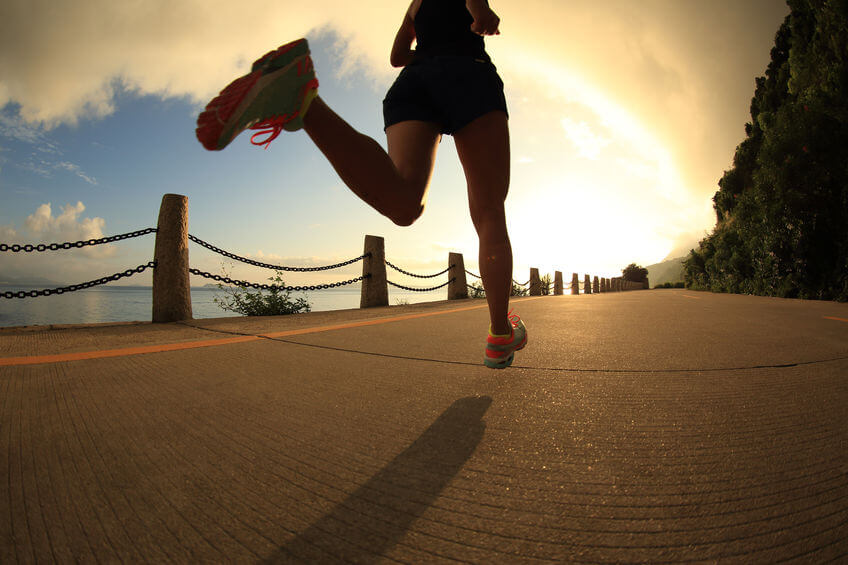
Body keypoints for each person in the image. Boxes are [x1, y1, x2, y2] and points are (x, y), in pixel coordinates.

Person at [196, 0, 527, 368]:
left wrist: (427, 58)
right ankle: (500, 333)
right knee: (488, 213)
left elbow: (398, 56)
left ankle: (304, 103)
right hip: (469, 73)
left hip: (413, 85)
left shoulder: (416, 5)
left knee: (404, 204)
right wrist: (482, 16)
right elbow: (477, 8)